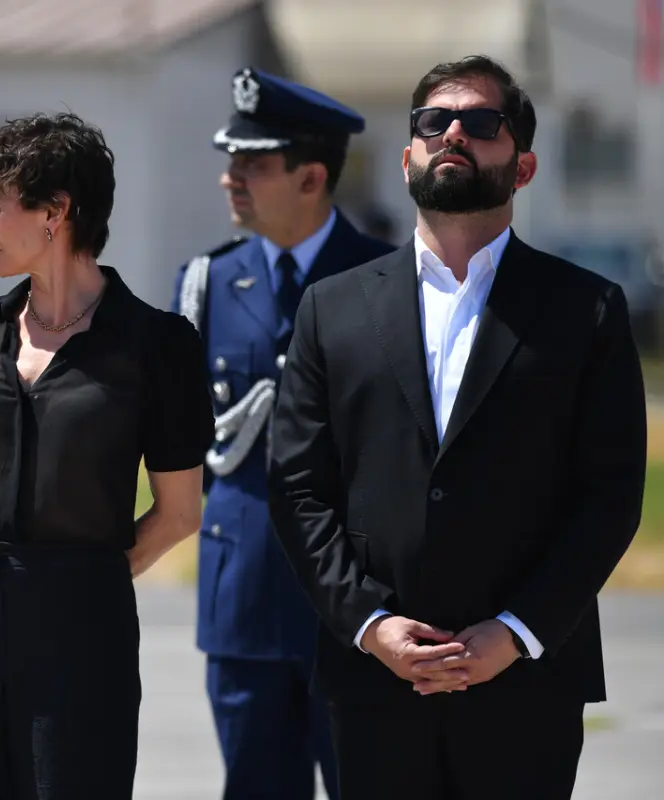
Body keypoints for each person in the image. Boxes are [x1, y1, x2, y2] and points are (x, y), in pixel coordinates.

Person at [267, 55, 647, 800]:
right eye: (433, 122)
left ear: (525, 165)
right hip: (376, 680)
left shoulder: (588, 311)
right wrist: (370, 624)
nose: (453, 135)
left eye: (480, 123)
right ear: (408, 154)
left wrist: (515, 632)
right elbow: (298, 486)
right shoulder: (331, 307)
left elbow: (610, 499)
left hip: (527, 682)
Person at [0, 111, 213, 800]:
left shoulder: (158, 347)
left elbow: (179, 512)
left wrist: (84, 581)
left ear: (56, 212)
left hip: (80, 617)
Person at [171, 67, 393, 800]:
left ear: (312, 178)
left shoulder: (390, 282)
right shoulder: (205, 282)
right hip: (244, 603)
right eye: (230, 162)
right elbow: (186, 444)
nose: (231, 180)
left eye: (255, 165)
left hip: (357, 610)